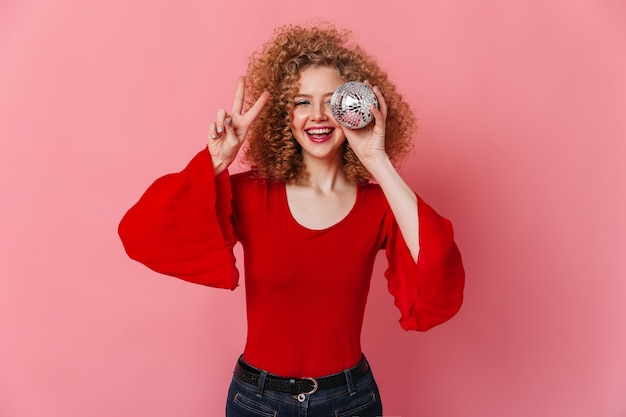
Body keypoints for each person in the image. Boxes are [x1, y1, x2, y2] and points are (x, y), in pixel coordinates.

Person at [118, 23, 464, 417]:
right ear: (286, 115)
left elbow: (437, 263)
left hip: (350, 402)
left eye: (333, 102)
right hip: (257, 401)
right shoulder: (251, 194)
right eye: (302, 102)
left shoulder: (380, 205)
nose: (317, 115)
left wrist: (377, 160)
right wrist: (216, 160)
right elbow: (141, 233)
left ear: (356, 109)